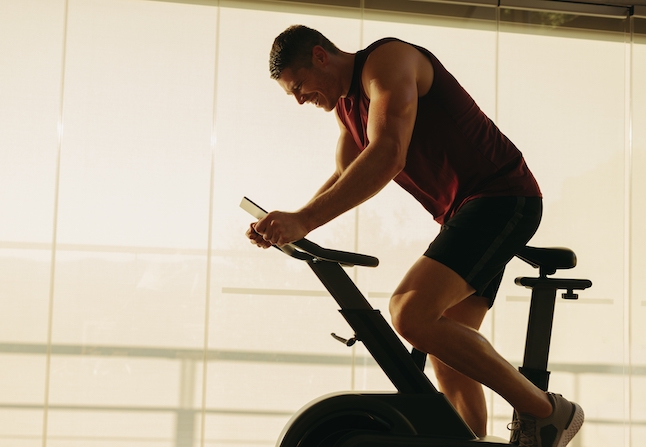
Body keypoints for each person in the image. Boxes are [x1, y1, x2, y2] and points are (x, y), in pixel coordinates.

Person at [245, 25, 584, 447]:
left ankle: (547, 413)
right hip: (467, 211)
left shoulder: (387, 63)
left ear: (319, 56)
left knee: (409, 313)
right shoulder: (347, 108)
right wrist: (290, 222)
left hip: (501, 197)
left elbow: (388, 153)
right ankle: (474, 441)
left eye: (298, 87)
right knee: (449, 358)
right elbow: (345, 176)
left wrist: (305, 221)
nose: (298, 100)